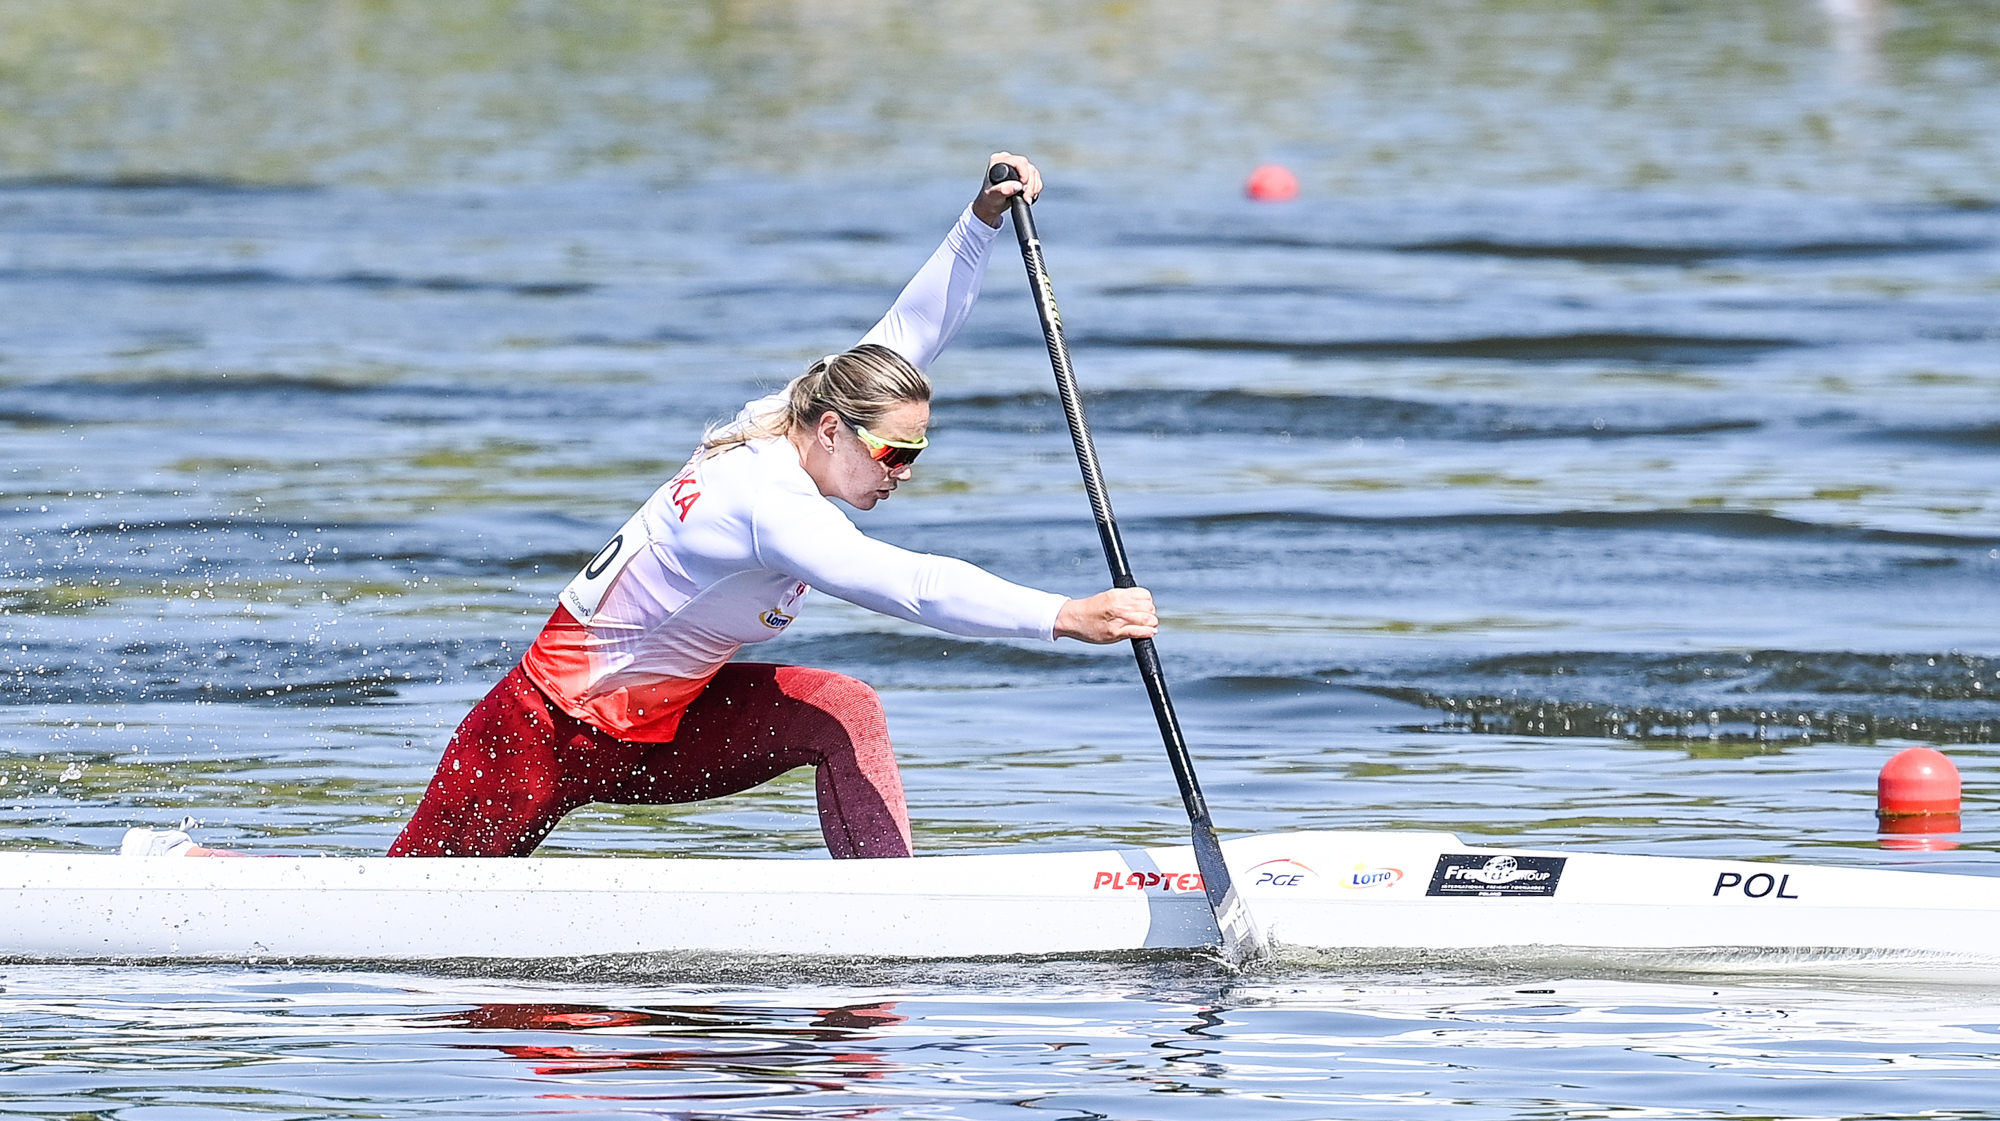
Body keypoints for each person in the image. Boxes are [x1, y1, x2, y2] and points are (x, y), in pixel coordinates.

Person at [386, 154, 1158, 860]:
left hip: (662, 730)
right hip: (538, 734)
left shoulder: (799, 408)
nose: (905, 473)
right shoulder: (770, 503)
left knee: (842, 710)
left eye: (918, 453)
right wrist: (1066, 615)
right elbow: (912, 585)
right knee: (423, 937)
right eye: (896, 453)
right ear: (833, 431)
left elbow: (909, 333)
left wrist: (979, 219)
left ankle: (891, 911)